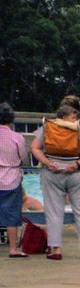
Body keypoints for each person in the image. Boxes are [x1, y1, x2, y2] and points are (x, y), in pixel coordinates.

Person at [29, 95, 80, 261]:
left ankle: (56, 249)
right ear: (75, 112)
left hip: (53, 172)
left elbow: (34, 147)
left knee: (54, 211)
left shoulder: (47, 126)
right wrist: (77, 164)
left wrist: (48, 163)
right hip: (77, 173)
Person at [0, 102, 29, 257]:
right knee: (12, 214)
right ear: (11, 120)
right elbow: (24, 159)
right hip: (11, 178)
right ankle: (13, 248)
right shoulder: (17, 137)